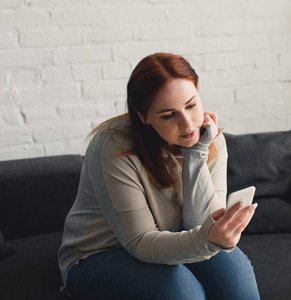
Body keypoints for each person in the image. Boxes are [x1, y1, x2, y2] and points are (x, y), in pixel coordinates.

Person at [57, 52, 260, 300]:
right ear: (143, 116)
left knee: (236, 277)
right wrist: (208, 239)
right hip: (96, 254)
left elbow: (201, 223)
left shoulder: (210, 140)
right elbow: (140, 242)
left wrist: (196, 154)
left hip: (174, 235)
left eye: (192, 105)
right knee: (182, 291)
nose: (187, 124)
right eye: (168, 115)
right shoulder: (113, 146)